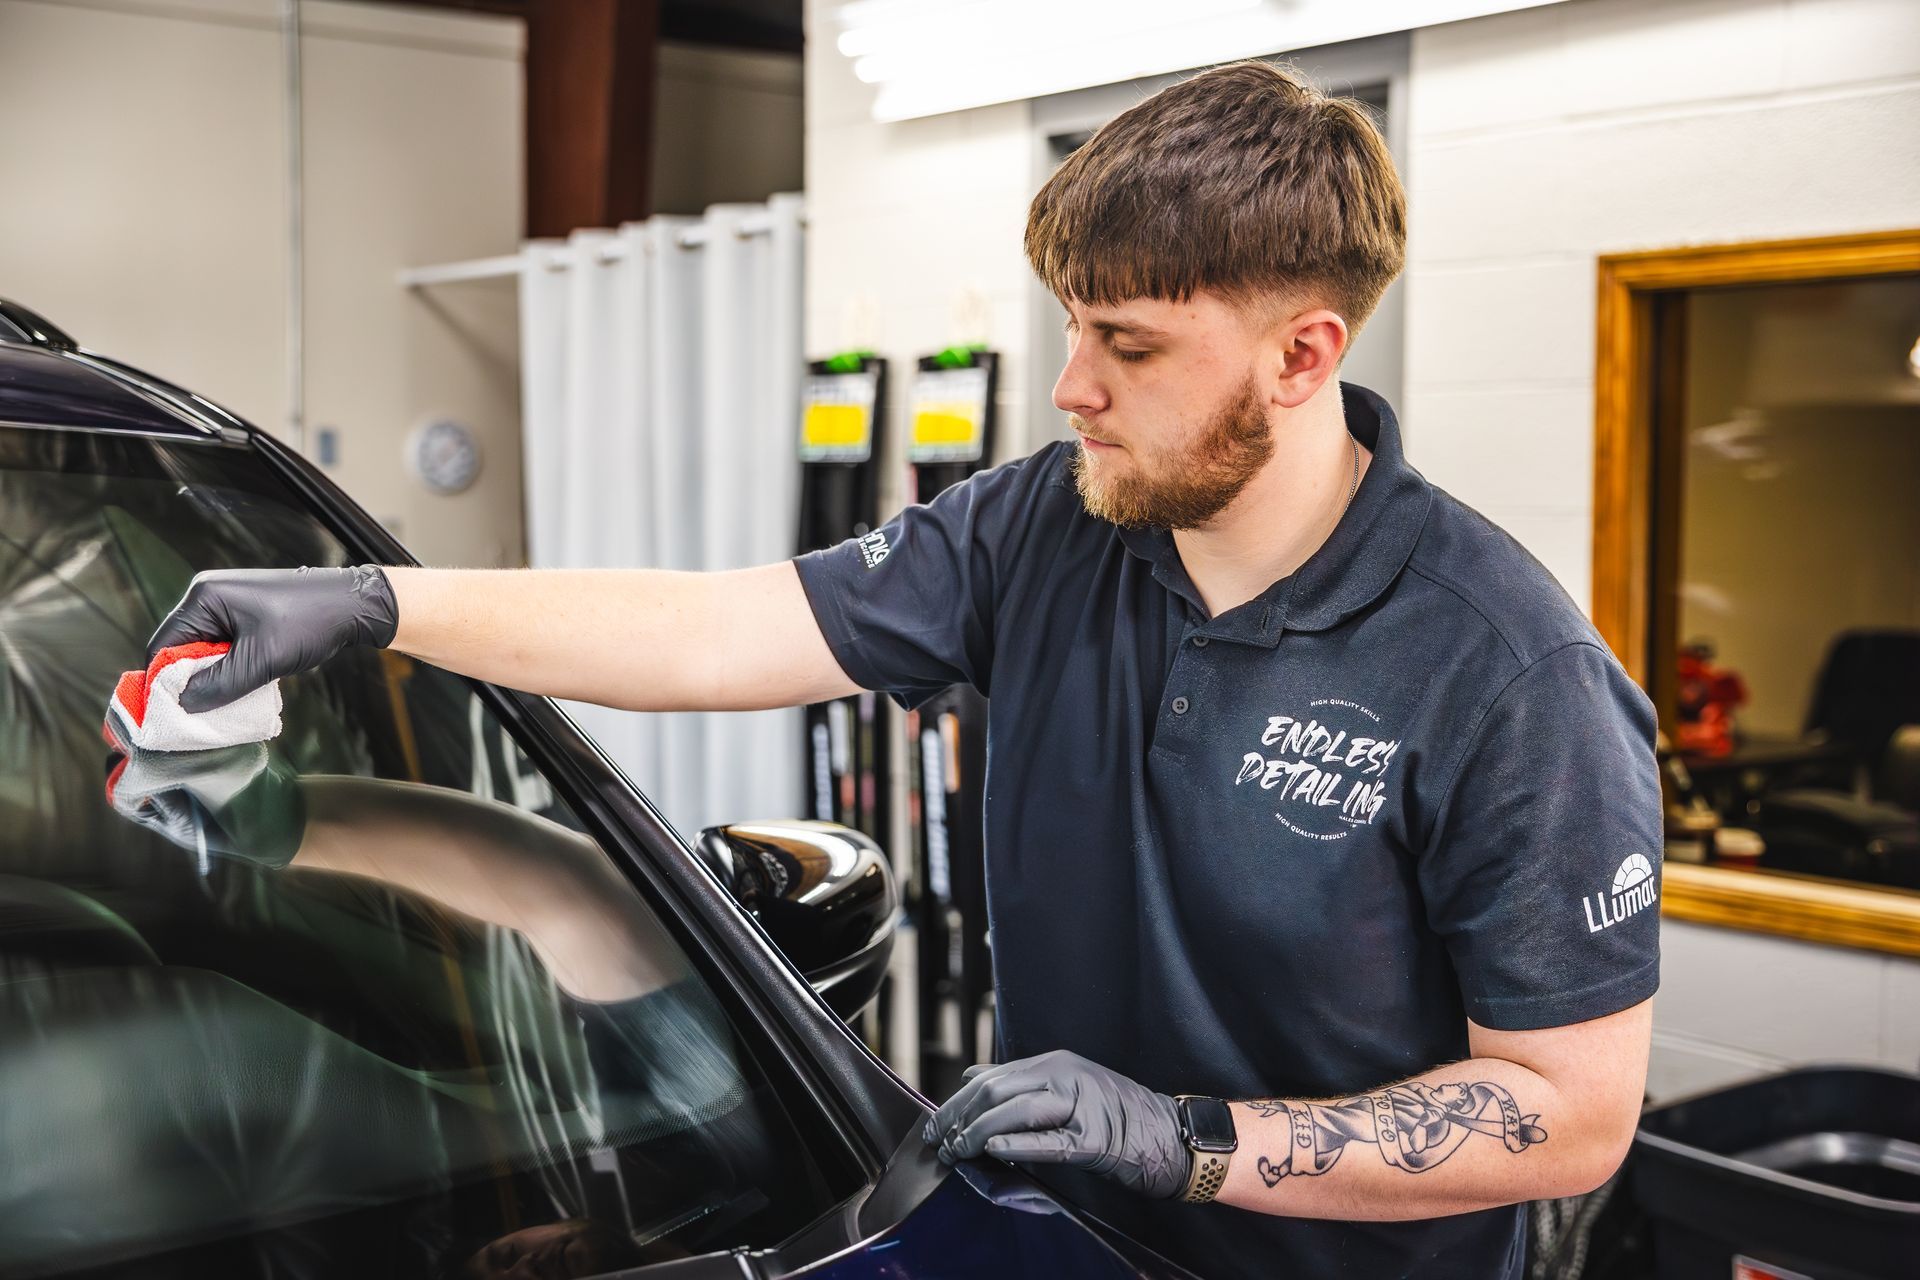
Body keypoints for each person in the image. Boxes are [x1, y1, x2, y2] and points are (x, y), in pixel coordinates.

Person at [149, 60, 1662, 1279]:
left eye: (1126, 346)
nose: (1072, 386)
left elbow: (1568, 1114)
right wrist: (379, 601)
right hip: (1046, 1249)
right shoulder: (1044, 523)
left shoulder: (1508, 671)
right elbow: (718, 628)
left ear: (1303, 355)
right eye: (1073, 327)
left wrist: (1194, 1139)